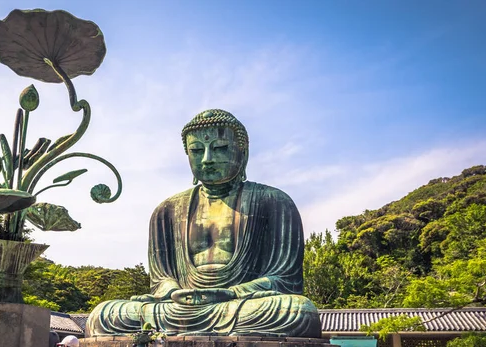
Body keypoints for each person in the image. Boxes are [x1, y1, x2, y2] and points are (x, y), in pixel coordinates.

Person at [86, 109, 321, 337]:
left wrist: (232, 292)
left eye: (219, 148)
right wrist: (174, 293)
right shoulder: (167, 211)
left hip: (240, 305)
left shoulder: (273, 201)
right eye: (196, 150)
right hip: (179, 307)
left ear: (243, 152)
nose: (207, 159)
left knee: (297, 311)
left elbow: (285, 280)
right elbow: (161, 280)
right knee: (104, 315)